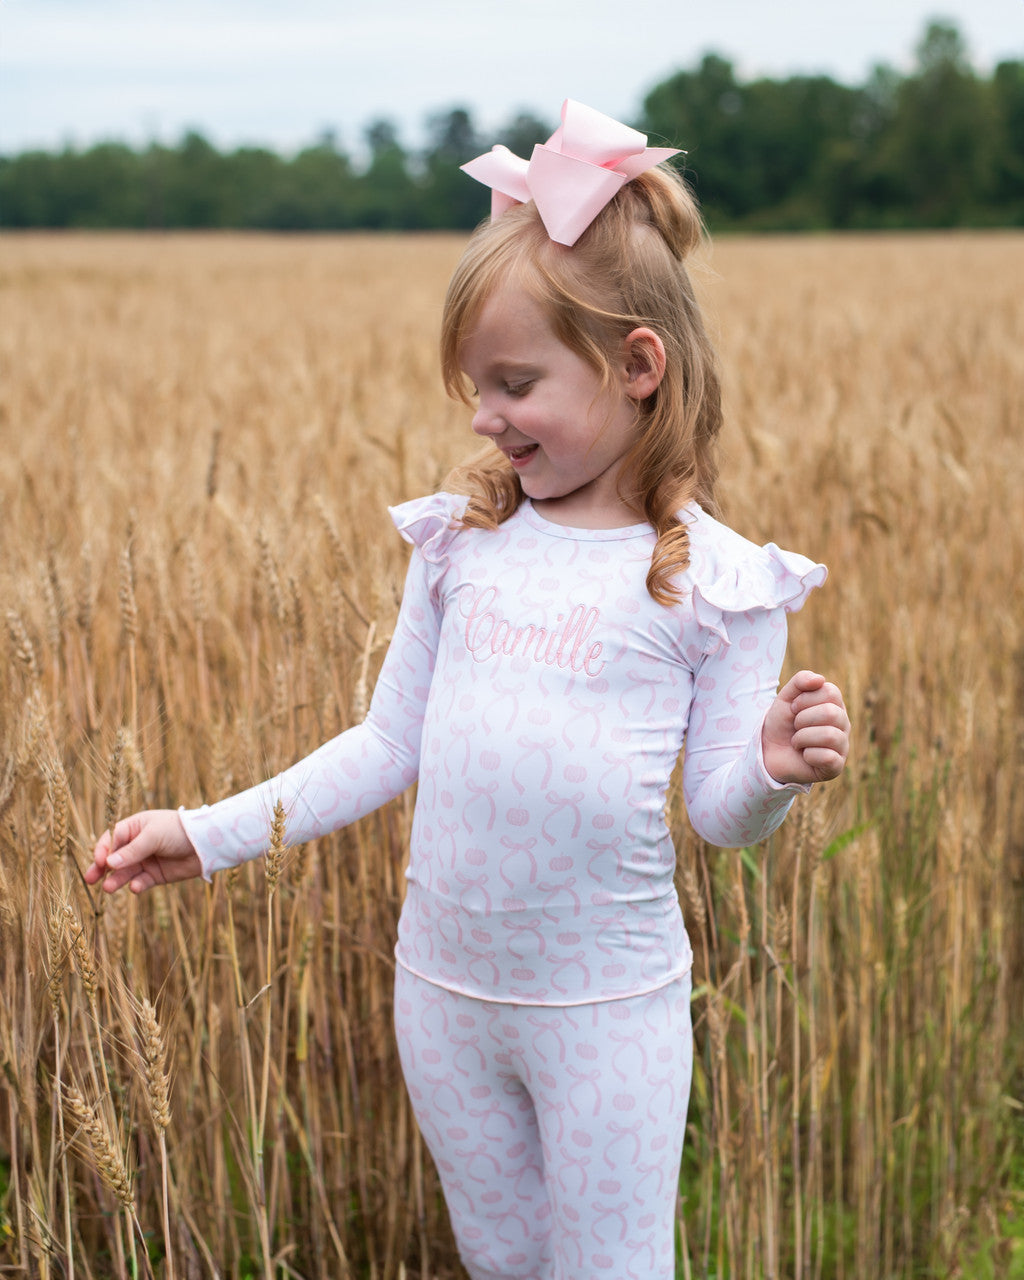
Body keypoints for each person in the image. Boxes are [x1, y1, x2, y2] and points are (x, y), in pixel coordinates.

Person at [88, 100, 850, 1280]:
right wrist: (209, 832)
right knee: (499, 1260)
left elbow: (717, 814)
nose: (485, 418)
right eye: (472, 388)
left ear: (635, 366)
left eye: (513, 382)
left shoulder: (720, 583)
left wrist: (772, 769)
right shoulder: (461, 544)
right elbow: (388, 740)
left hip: (605, 1013)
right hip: (439, 997)